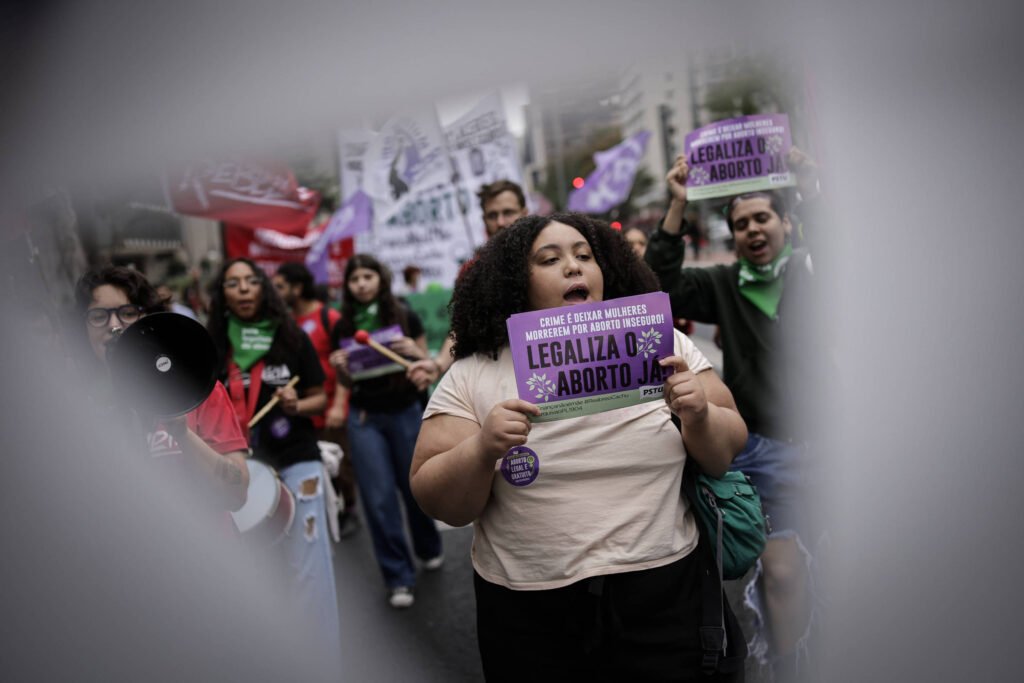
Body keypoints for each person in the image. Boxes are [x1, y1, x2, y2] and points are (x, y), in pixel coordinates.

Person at [411, 213, 750, 681]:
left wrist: (700, 414)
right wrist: (482, 448)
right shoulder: (475, 371)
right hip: (531, 613)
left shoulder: (663, 345)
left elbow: (725, 449)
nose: (574, 267)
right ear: (515, 281)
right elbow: (437, 498)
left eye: (585, 256)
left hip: (665, 595)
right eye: (550, 260)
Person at [645, 151, 823, 680]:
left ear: (786, 222)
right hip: (765, 451)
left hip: (836, 445)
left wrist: (809, 187)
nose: (752, 230)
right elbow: (658, 285)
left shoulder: (814, 271)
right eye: (741, 224)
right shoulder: (722, 283)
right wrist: (678, 204)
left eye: (762, 217)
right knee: (782, 575)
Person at [206, 257, 341, 649]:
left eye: (251, 281)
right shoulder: (213, 345)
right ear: (222, 294)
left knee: (309, 566)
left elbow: (319, 398)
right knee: (259, 573)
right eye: (233, 283)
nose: (243, 289)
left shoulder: (291, 336)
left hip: (298, 459)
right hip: (241, 469)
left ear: (263, 288)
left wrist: (298, 405)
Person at [73, 266, 250, 522]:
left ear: (149, 319)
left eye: (127, 313)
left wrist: (181, 433)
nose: (114, 326)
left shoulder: (197, 388)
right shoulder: (74, 401)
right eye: (99, 316)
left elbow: (237, 495)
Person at [328, 254, 443, 609]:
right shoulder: (343, 326)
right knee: (378, 499)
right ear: (348, 285)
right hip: (365, 418)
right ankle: (397, 577)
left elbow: (427, 364)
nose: (361, 283)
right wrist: (340, 369)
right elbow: (347, 381)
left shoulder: (405, 314)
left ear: (381, 279)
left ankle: (428, 546)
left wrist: (414, 350)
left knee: (416, 487)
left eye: (368, 276)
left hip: (406, 412)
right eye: (354, 278)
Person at [405, 179, 529, 388]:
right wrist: (438, 365)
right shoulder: (473, 270)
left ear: (524, 213)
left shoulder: (547, 257)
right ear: (483, 219)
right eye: (492, 215)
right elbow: (462, 328)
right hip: (495, 379)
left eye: (508, 212)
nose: (500, 222)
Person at [272, 262, 361, 538]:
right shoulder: (285, 324)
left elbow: (345, 364)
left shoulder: (329, 318)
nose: (274, 292)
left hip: (332, 408)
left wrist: (338, 405)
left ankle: (348, 510)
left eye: (280, 287)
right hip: (303, 412)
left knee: (341, 465)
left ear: (297, 288)